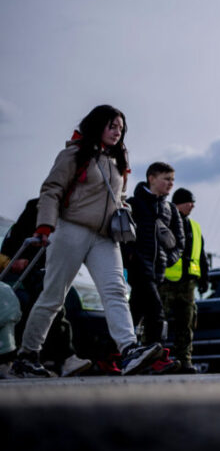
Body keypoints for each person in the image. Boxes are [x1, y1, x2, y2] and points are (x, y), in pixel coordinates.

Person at [12, 105, 164, 377]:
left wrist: (124, 215)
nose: (117, 132)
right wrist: (45, 226)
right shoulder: (74, 154)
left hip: (105, 237)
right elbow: (51, 189)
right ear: (97, 126)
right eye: (112, 126)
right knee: (53, 296)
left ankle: (128, 350)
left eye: (120, 127)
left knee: (116, 290)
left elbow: (121, 197)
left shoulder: (120, 160)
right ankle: (27, 355)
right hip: (71, 229)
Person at [0, 198, 92, 377]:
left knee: (53, 303)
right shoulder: (37, 207)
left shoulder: (74, 213)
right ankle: (63, 357)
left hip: (46, 268)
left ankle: (47, 358)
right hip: (26, 271)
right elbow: (14, 240)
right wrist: (10, 261)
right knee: (48, 300)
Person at [124, 161, 185, 374]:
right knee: (156, 313)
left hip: (158, 271)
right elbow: (122, 236)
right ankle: (159, 358)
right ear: (151, 178)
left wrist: (168, 260)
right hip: (139, 269)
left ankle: (114, 356)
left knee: (134, 312)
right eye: (166, 179)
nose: (170, 184)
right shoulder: (133, 204)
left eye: (172, 180)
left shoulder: (170, 210)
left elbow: (179, 242)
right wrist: (129, 258)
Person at [160, 187, 209, 374]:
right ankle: (156, 360)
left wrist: (205, 278)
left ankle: (184, 360)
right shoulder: (166, 221)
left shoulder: (195, 227)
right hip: (166, 282)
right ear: (179, 203)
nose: (193, 206)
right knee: (158, 322)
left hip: (188, 284)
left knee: (186, 324)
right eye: (190, 202)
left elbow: (201, 255)